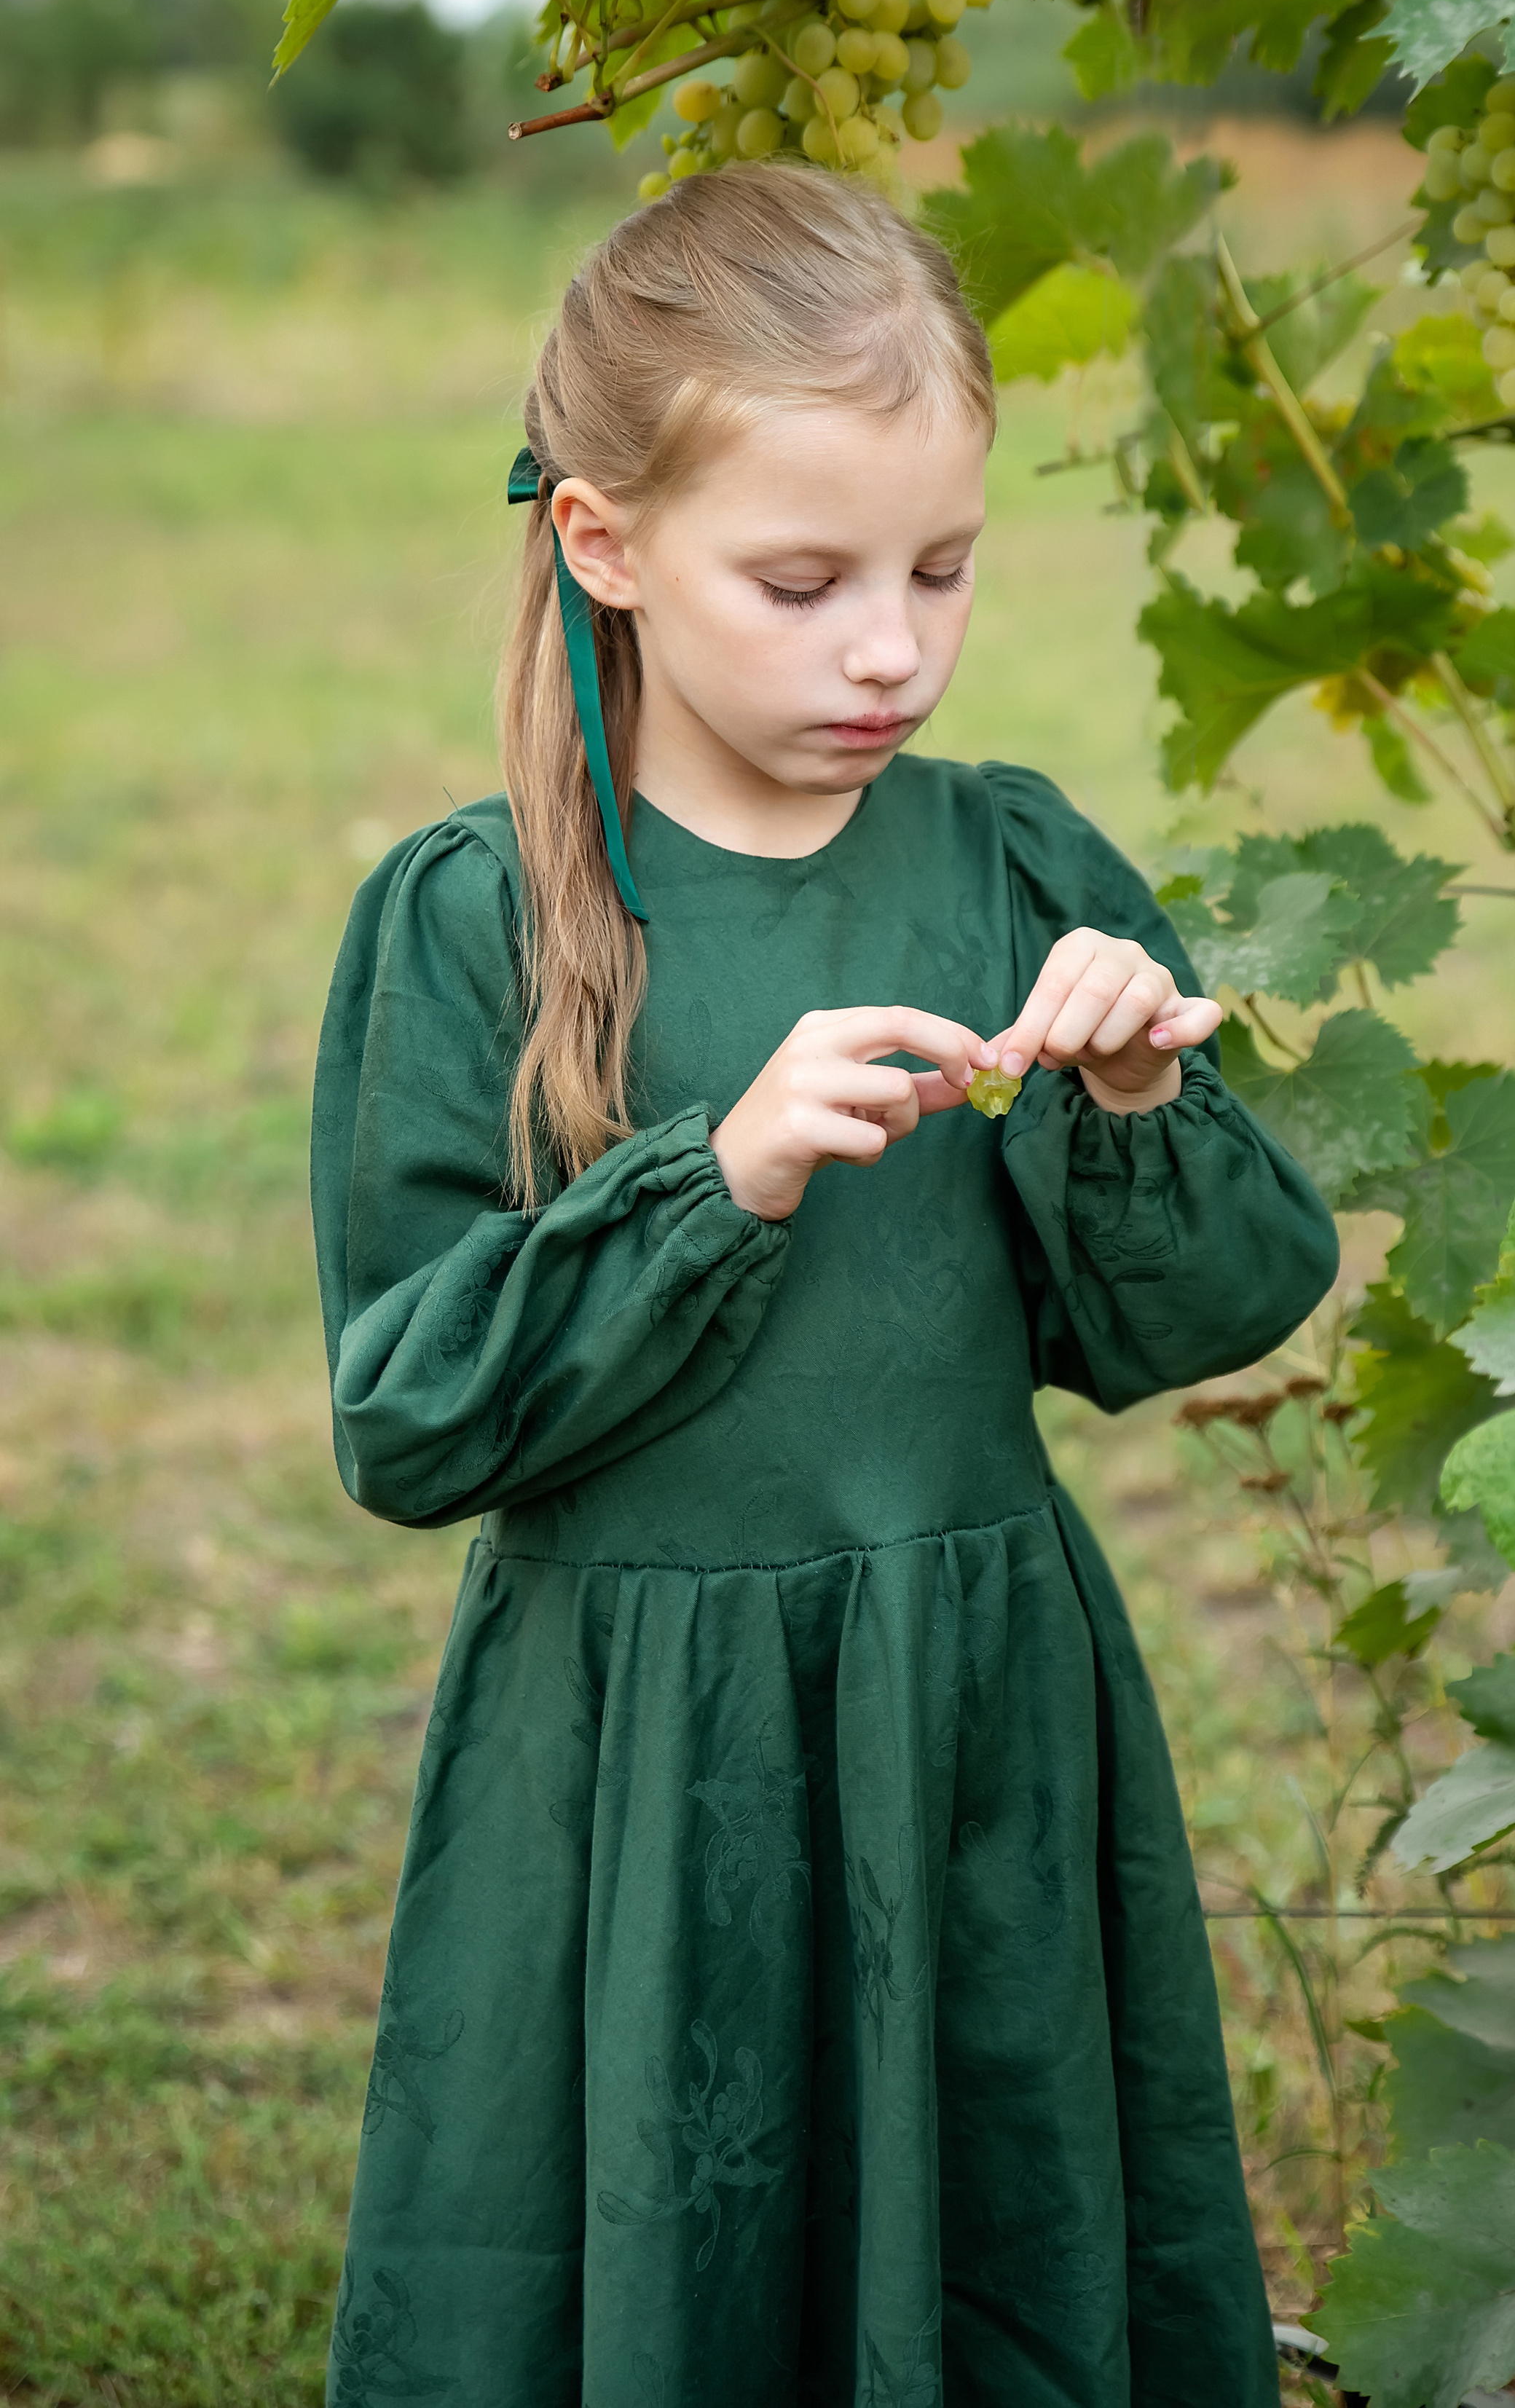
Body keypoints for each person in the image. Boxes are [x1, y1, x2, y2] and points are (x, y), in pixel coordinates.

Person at [310, 162, 1339, 2407]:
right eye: (805, 581)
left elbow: (1220, 1310)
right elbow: (407, 1417)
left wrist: (1144, 1110)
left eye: (942, 570)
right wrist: (712, 1179)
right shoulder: (479, 922)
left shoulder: (1013, 860)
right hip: (638, 1761)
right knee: (674, 2258)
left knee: (986, 2252)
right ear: (606, 545)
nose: (891, 645)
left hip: (973, 1709)